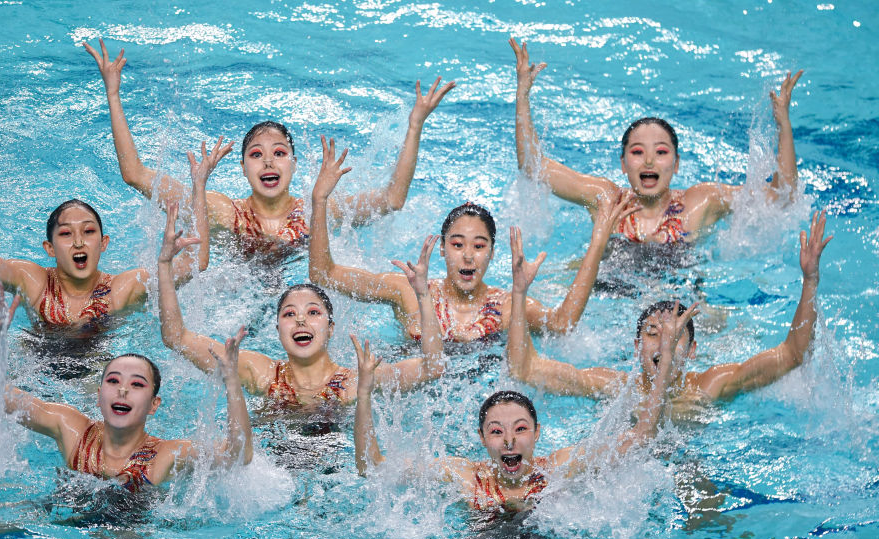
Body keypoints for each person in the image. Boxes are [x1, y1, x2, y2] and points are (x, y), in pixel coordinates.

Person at [84, 37, 455, 254]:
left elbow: (392, 199)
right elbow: (134, 174)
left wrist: (414, 126)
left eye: (279, 153)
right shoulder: (221, 211)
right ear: (243, 168)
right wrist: (113, 94)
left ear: (294, 163)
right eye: (256, 155)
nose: (268, 162)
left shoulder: (318, 212)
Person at [352, 301, 690, 510]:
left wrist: (666, 360)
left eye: (520, 429)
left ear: (537, 433)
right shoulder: (464, 476)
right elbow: (373, 467)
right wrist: (364, 393)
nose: (510, 441)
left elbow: (641, 436)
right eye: (497, 432)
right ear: (482, 438)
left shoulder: (557, 470)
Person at [309, 137, 640, 342]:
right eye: (457, 245)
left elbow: (560, 324)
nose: (468, 256)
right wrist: (320, 202)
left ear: (492, 254)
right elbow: (323, 275)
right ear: (441, 249)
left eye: (479, 246)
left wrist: (598, 244)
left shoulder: (507, 306)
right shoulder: (407, 291)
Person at [508, 211, 832, 420]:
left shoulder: (709, 387)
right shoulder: (616, 389)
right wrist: (519, 295)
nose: (664, 342)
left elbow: (792, 355)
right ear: (637, 346)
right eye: (653, 333)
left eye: (675, 336)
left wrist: (811, 281)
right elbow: (526, 369)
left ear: (692, 350)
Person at [156, 191, 445, 412]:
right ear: (277, 330)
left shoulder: (355, 382)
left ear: (331, 328)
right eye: (289, 314)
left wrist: (422, 296)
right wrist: (165, 266)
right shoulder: (260, 374)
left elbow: (432, 368)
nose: (301, 320)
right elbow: (175, 337)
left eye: (313, 312)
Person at [510, 38, 804, 244]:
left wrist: (784, 125)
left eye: (661, 152)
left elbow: (781, 198)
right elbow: (533, 168)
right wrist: (522, 95)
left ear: (676, 165)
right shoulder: (605, 200)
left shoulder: (700, 203)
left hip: (680, 301)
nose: (649, 160)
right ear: (623, 164)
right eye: (637, 152)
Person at [0, 124, 200, 334]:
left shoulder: (122, 288)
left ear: (104, 243)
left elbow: (197, 263)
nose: (79, 242)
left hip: (96, 369)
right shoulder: (31, 280)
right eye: (66, 234)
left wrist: (198, 189)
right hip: (35, 361)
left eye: (88, 232)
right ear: (49, 248)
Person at [0, 284, 253, 492]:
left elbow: (237, 455)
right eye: (113, 381)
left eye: (137, 384)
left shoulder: (164, 456)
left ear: (154, 405)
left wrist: (231, 381)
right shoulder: (71, 429)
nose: (122, 390)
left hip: (129, 534)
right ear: (99, 396)